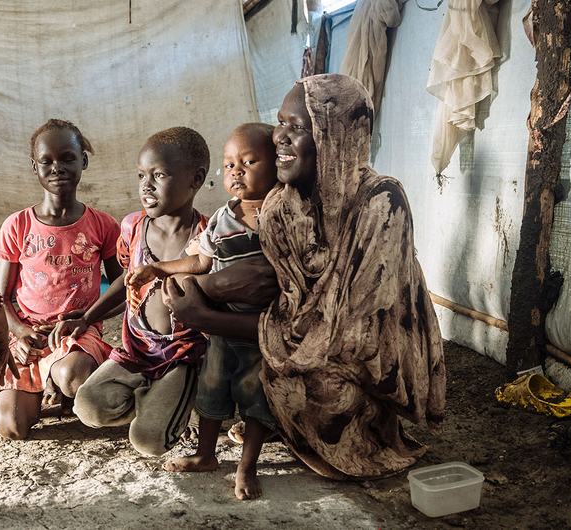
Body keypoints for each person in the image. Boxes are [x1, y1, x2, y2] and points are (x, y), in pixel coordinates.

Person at [163, 73, 446, 483]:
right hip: (299, 338)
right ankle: (278, 428)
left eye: (297, 127)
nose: (279, 136)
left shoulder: (381, 201)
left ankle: (365, 434)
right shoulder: (283, 205)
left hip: (364, 357)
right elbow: (286, 300)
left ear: (334, 134)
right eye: (280, 123)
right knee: (259, 371)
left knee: (325, 390)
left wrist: (207, 319)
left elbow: (350, 332)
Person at [126, 123, 281, 500]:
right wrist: (158, 268)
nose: (237, 172)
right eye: (229, 165)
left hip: (262, 330)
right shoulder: (223, 219)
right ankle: (206, 454)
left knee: (255, 392)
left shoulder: (282, 214)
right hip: (221, 329)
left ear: (277, 166)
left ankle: (247, 466)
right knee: (211, 388)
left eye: (249, 162)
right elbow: (199, 261)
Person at [56, 127, 209, 457]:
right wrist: (87, 317)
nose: (146, 185)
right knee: (88, 405)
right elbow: (126, 278)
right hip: (139, 349)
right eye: (141, 175)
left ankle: (180, 400)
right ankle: (160, 400)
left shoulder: (206, 238)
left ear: (195, 180)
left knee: (149, 442)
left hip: (183, 355)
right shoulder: (134, 227)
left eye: (159, 175)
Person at [0, 119, 123, 440]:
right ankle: (44, 383)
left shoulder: (102, 225)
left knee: (72, 376)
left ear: (84, 161)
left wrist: (87, 319)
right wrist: (18, 332)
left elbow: (122, 288)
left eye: (67, 158)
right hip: (28, 336)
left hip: (77, 332)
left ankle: (61, 381)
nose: (57, 167)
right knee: (11, 427)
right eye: (46, 161)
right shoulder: (17, 225)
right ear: (34, 167)